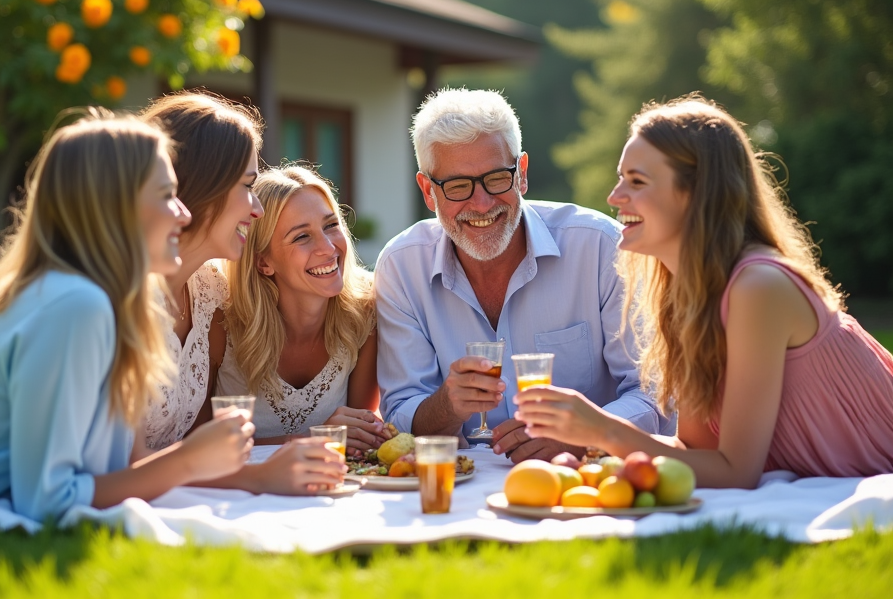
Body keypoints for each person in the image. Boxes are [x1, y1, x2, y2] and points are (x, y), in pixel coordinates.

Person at [0, 112, 254, 519]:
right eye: (165, 195)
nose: (183, 213)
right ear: (114, 205)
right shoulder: (75, 304)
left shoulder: (111, 302)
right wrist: (188, 461)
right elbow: (47, 499)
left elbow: (109, 475)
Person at [515, 96, 893, 486]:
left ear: (697, 194)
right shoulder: (686, 298)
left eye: (637, 181)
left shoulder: (758, 286)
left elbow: (737, 472)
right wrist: (600, 452)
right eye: (620, 177)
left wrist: (603, 431)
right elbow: (695, 455)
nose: (615, 197)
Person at [375, 88, 669, 464]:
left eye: (497, 178)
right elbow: (401, 412)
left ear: (522, 174)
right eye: (458, 186)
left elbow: (654, 393)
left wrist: (584, 437)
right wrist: (447, 405)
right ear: (429, 192)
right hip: (459, 491)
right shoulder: (402, 267)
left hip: (585, 486)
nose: (481, 204)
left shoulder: (599, 248)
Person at [137, 94, 347, 494]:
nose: (257, 209)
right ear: (200, 189)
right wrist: (258, 477)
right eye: (248, 186)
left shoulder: (208, 290)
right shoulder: (122, 296)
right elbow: (124, 465)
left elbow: (185, 448)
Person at [210, 165, 389, 462]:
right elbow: (194, 443)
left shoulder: (365, 313)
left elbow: (359, 441)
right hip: (236, 498)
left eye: (331, 225)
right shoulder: (221, 321)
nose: (328, 247)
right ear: (263, 262)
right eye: (301, 237)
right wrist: (315, 439)